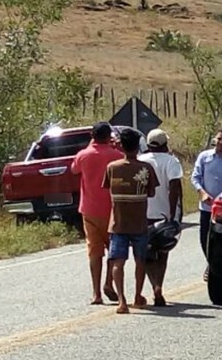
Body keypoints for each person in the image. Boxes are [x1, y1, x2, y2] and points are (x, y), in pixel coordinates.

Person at [103, 128, 159, 314]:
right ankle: (137, 295)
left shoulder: (112, 167)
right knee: (140, 261)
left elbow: (106, 189)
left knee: (118, 262)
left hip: (118, 223)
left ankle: (121, 301)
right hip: (139, 224)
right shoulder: (146, 168)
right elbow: (151, 192)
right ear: (138, 147)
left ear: (121, 146)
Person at [70, 121, 124, 305]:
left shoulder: (83, 155)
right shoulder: (117, 155)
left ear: (92, 136)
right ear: (109, 136)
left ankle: (96, 293)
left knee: (94, 251)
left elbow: (73, 169)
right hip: (112, 209)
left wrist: (89, 146)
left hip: (90, 209)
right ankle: (109, 282)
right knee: (114, 250)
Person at [137, 129, 183, 307]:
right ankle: (159, 287)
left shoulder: (140, 161)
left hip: (144, 214)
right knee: (163, 253)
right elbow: (174, 189)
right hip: (164, 214)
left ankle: (154, 284)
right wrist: (173, 214)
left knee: (147, 254)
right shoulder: (172, 162)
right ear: (165, 144)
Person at [191, 128, 222, 280]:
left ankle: (219, 268)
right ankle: (212, 264)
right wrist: (202, 193)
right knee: (204, 239)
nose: (221, 142)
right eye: (219, 139)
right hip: (207, 207)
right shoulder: (204, 157)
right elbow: (195, 178)